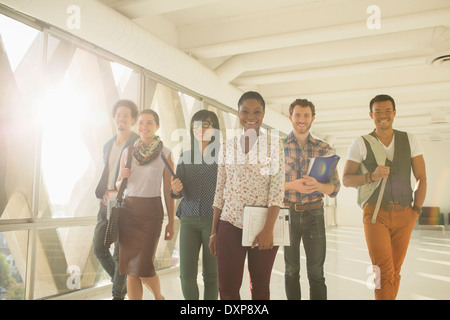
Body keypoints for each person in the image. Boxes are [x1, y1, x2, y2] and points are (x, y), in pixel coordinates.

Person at [342, 94, 426, 300]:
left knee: (395, 271)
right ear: (371, 115)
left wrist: (416, 210)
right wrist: (371, 176)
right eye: (378, 111)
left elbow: (421, 177)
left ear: (394, 113)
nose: (383, 115)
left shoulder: (409, 139)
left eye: (387, 110)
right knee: (382, 271)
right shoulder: (361, 143)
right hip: (375, 214)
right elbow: (346, 179)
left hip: (405, 213)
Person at [209, 91, 285, 300]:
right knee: (227, 288)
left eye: (256, 112)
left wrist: (268, 229)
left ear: (263, 114)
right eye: (245, 111)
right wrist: (214, 231)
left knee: (260, 288)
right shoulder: (226, 147)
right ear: (238, 113)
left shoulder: (275, 144)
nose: (251, 116)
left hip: (263, 225)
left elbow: (277, 190)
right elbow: (219, 191)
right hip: (229, 222)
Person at [283, 98, 340, 300]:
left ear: (312, 118)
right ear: (290, 117)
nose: (301, 119)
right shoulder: (279, 147)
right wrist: (292, 185)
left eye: (306, 115)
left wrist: (318, 186)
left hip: (314, 214)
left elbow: (334, 188)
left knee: (316, 273)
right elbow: (268, 186)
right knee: (291, 271)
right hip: (287, 214)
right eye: (297, 115)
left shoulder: (324, 149)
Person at [116, 109, 175, 300]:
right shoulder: (127, 152)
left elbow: (168, 191)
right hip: (128, 213)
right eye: (141, 122)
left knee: (143, 268)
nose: (144, 126)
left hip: (151, 214)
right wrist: (121, 179)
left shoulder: (165, 154)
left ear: (157, 126)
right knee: (131, 270)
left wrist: (171, 222)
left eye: (149, 122)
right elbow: (118, 185)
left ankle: (158, 297)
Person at [170, 110, 220, 300]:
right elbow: (175, 193)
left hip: (212, 221)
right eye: (196, 125)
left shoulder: (222, 156)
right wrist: (175, 189)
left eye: (206, 125)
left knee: (211, 275)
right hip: (188, 220)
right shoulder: (185, 156)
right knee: (186, 275)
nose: (200, 129)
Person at [93, 99, 139, 300]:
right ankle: (121, 283)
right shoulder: (108, 145)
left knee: (121, 253)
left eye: (125, 116)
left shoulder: (137, 143)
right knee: (99, 247)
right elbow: (107, 172)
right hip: (106, 201)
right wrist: (104, 192)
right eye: (118, 115)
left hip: (126, 203)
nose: (121, 119)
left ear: (133, 119)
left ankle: (117, 295)